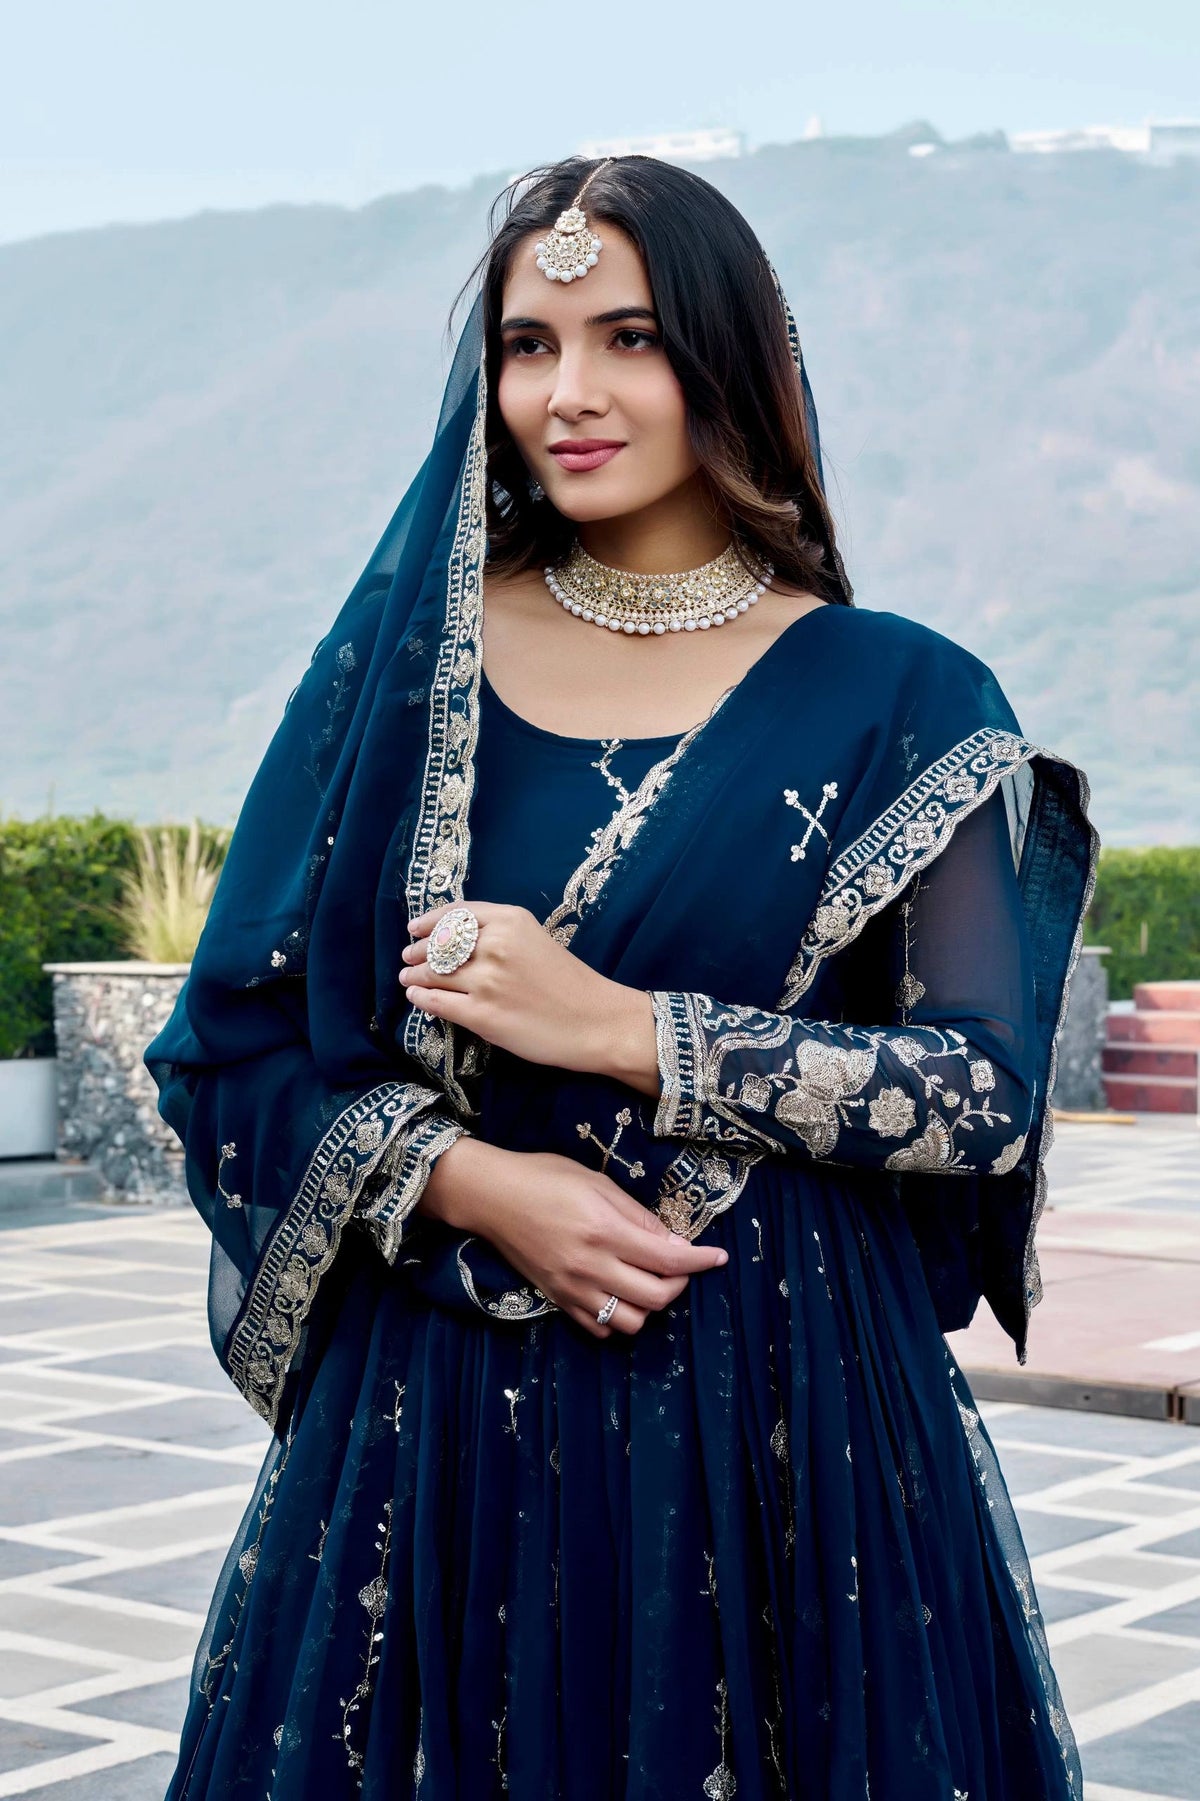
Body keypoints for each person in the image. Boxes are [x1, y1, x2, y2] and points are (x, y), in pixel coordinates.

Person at [146, 154, 1094, 1800]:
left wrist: (625, 1030)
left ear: (728, 358)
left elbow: (984, 1094)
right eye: (529, 344)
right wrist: (463, 1177)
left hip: (786, 1418)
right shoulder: (401, 675)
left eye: (629, 338)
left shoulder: (903, 696)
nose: (567, 393)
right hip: (438, 1417)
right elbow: (227, 1046)